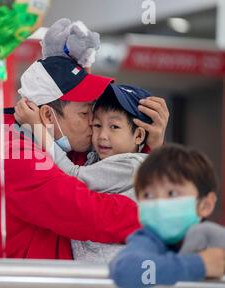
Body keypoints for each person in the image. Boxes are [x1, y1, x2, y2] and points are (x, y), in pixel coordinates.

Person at [0, 53, 169, 259]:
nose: (94, 125)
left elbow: (122, 176)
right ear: (47, 116)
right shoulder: (17, 159)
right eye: (85, 114)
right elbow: (91, 216)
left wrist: (150, 147)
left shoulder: (71, 150)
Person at [14, 83, 154, 262]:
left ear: (139, 136)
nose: (102, 135)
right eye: (96, 124)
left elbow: (74, 176)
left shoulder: (133, 164)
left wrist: (37, 127)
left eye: (114, 127)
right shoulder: (98, 157)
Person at [109, 144, 225, 288]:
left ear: (205, 205)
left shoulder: (213, 237)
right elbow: (127, 271)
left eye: (172, 193)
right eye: (148, 195)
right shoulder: (147, 240)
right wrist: (201, 264)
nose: (159, 203)